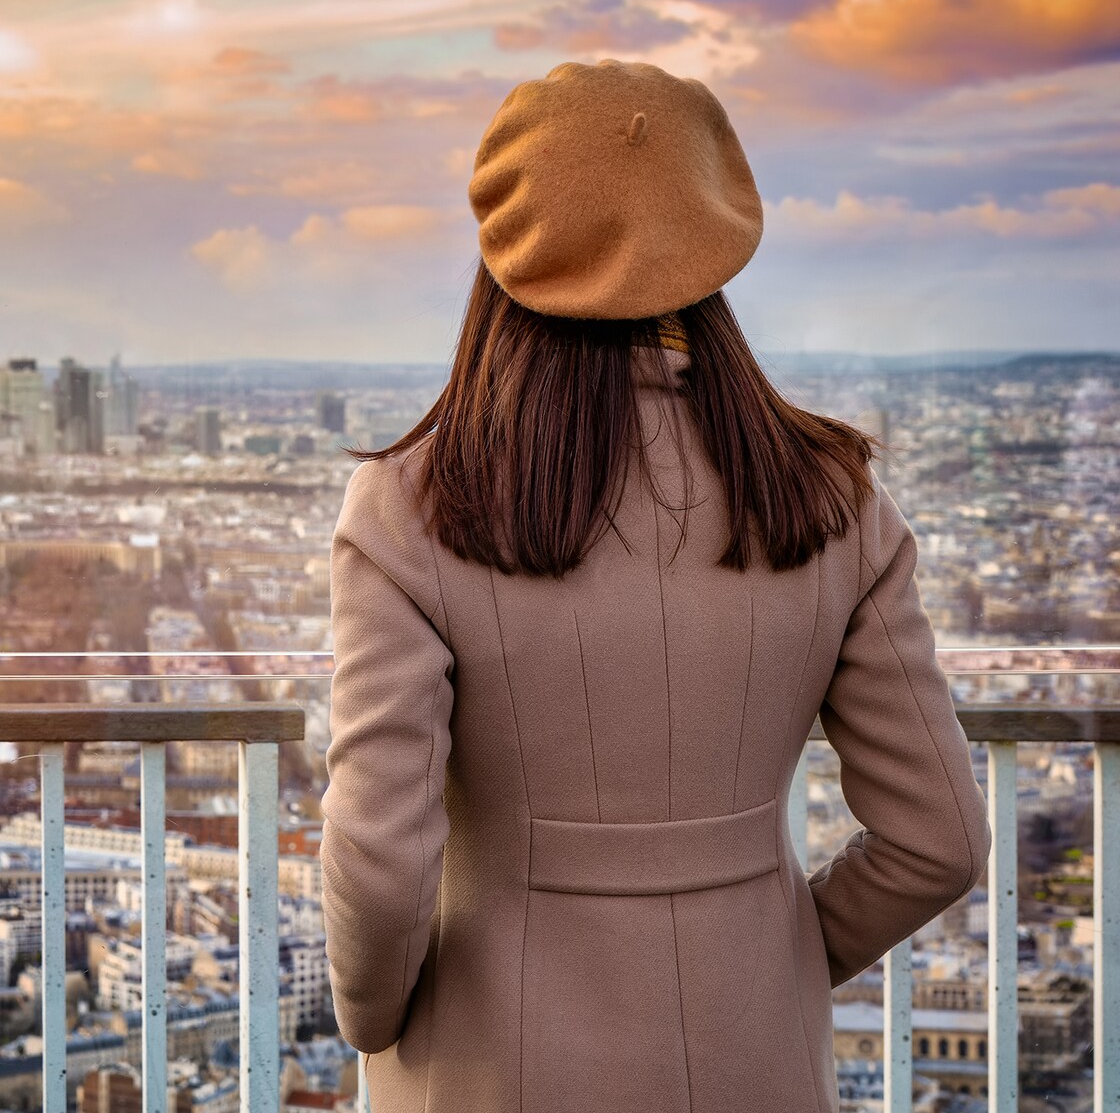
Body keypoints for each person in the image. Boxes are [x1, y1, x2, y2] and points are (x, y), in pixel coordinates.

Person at [320, 59, 989, 1113]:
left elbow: (378, 860)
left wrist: (373, 1021)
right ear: (711, 240)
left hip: (488, 1065)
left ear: (506, 246)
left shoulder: (412, 506)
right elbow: (939, 839)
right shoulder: (834, 497)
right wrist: (776, 953)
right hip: (753, 1057)